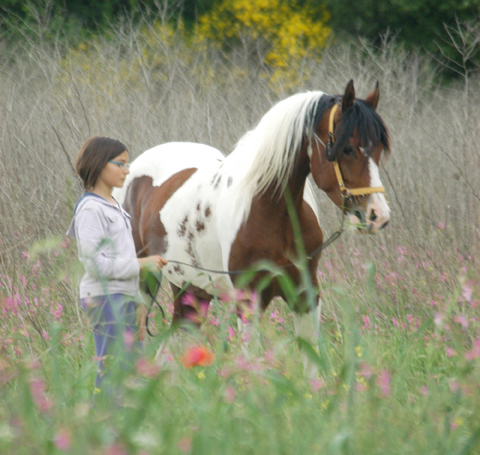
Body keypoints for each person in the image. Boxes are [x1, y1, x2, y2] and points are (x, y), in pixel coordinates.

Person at [66, 136, 167, 402]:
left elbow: (119, 258)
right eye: (120, 164)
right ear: (100, 165)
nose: (128, 170)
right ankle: (105, 435)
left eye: (127, 163)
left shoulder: (114, 207)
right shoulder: (89, 209)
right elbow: (93, 263)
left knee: (131, 372)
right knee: (113, 370)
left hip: (125, 297)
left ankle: (124, 435)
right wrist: (141, 263)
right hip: (105, 299)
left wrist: (138, 300)